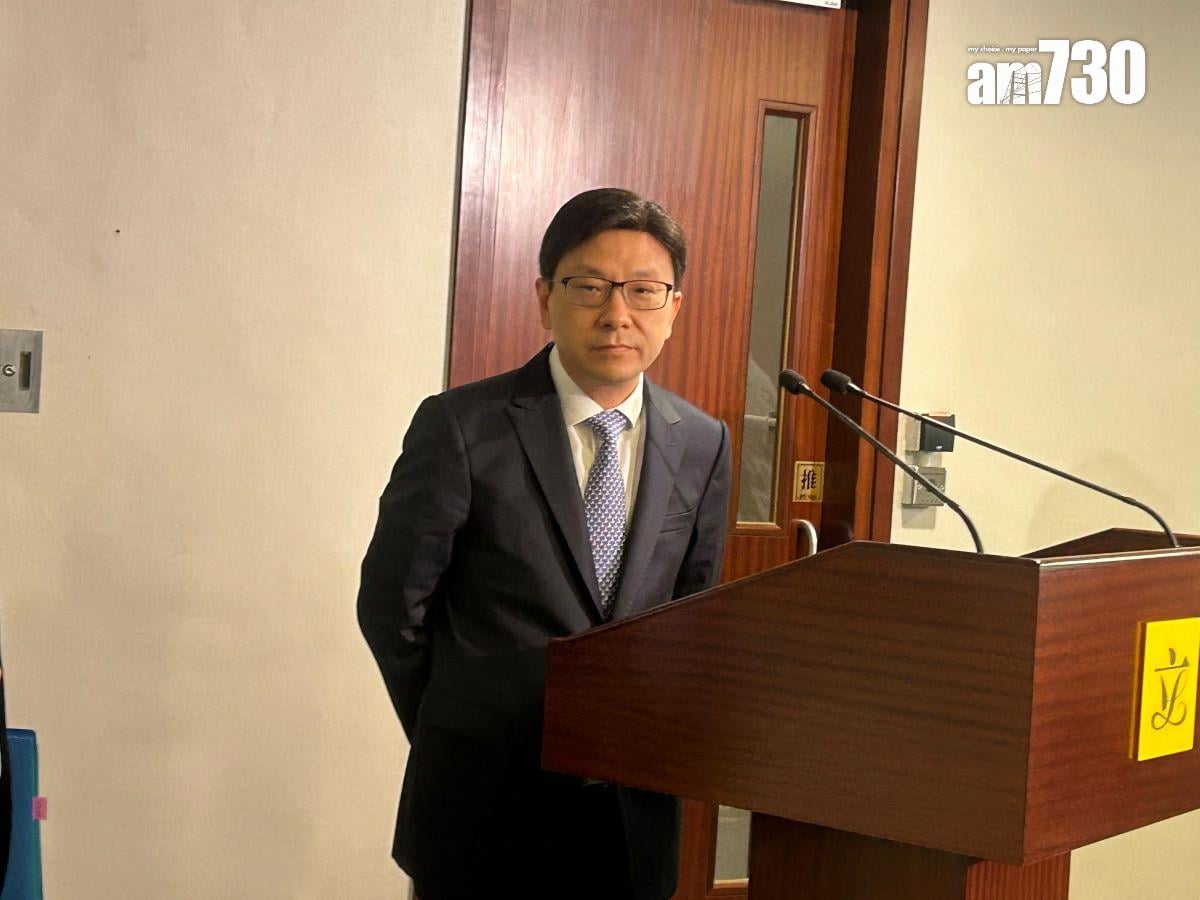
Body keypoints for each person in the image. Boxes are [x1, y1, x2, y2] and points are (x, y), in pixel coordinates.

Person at [358, 187, 732, 900]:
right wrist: (455, 723)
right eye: (589, 286)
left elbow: (692, 618)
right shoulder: (463, 426)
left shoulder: (702, 442)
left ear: (673, 308)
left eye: (643, 290)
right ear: (544, 297)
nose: (617, 313)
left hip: (630, 815)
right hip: (482, 806)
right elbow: (392, 604)